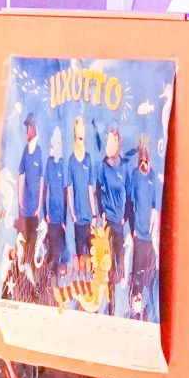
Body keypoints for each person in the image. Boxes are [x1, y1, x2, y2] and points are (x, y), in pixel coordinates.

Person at [98, 126, 133, 316]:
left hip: (119, 221)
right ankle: (108, 306)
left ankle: (116, 305)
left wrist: (125, 217)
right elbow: (97, 189)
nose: (108, 144)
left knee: (119, 264)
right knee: (108, 262)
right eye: (107, 140)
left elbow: (129, 195)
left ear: (118, 143)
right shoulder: (103, 167)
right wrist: (101, 212)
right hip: (108, 221)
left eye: (111, 140)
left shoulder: (124, 168)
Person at [64, 115, 97, 309]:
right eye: (78, 137)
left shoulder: (89, 159)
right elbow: (69, 188)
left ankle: (92, 295)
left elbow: (90, 188)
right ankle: (80, 296)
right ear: (74, 137)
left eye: (82, 137)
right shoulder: (71, 161)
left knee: (92, 257)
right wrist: (73, 213)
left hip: (88, 216)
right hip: (78, 219)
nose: (80, 140)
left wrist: (94, 213)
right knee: (80, 257)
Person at [15, 114, 49, 291]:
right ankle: (25, 273)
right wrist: (19, 197)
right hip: (26, 205)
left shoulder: (39, 151)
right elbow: (21, 175)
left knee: (34, 238)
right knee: (26, 236)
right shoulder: (25, 152)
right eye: (26, 128)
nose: (26, 132)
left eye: (29, 128)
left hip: (35, 206)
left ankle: (32, 272)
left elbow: (42, 179)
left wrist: (38, 204)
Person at [130, 137, 162, 320]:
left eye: (146, 160)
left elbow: (153, 205)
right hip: (138, 231)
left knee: (148, 271)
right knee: (137, 268)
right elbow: (132, 202)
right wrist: (133, 229)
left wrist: (153, 225)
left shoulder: (152, 176)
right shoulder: (135, 175)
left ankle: (148, 309)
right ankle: (136, 302)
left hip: (149, 234)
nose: (144, 164)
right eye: (141, 160)